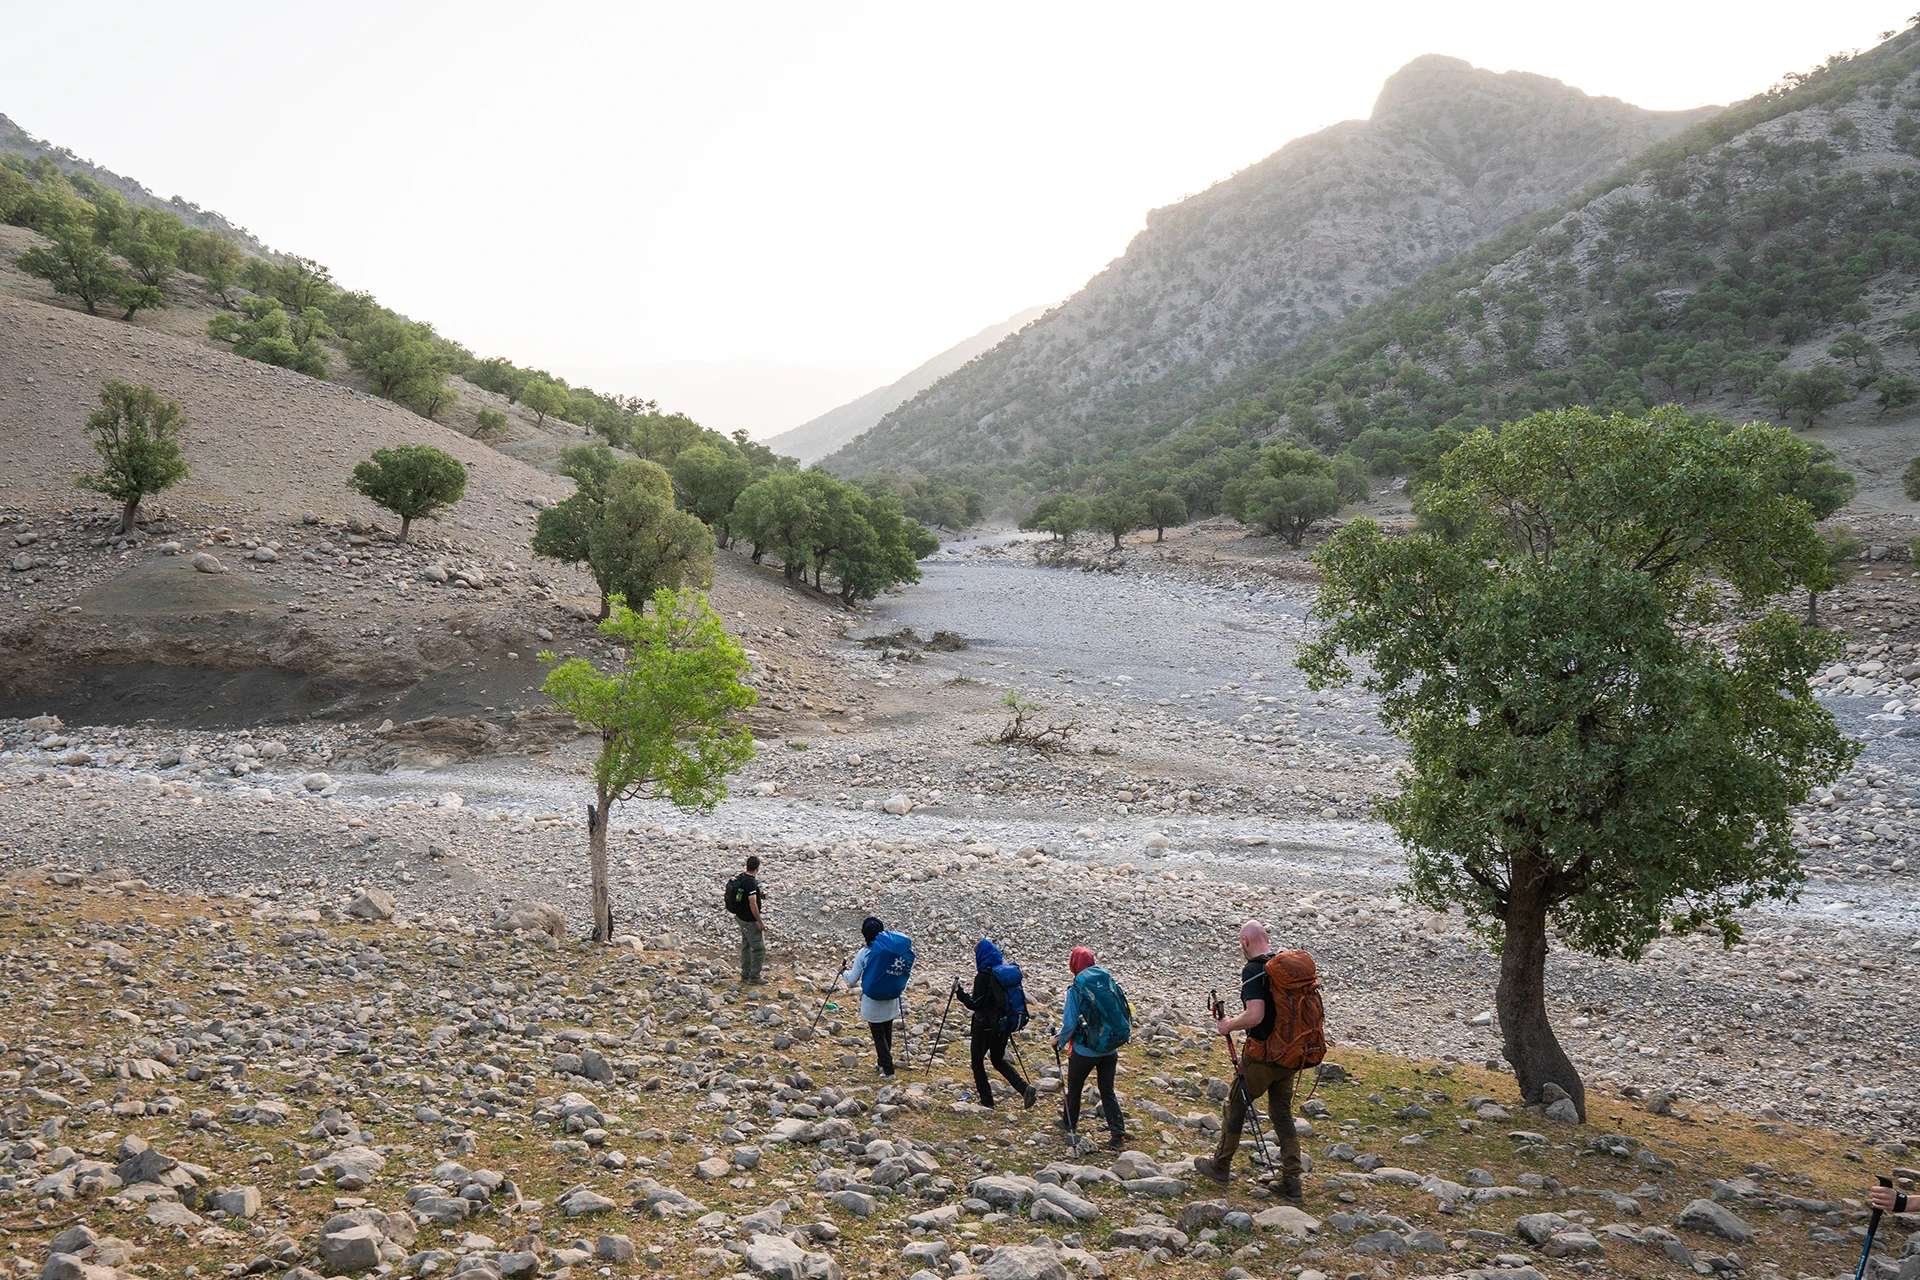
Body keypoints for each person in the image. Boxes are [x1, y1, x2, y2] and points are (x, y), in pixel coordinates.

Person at [1191, 919, 1304, 1202]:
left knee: (1236, 1105)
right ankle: (1292, 1181)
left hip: (1264, 1055)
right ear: (1266, 938)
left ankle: (1220, 1166)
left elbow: (1255, 1015)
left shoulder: (1254, 970)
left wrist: (1228, 1025)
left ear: (1245, 941)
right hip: (1291, 1053)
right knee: (1282, 1113)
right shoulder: (1283, 965)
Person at [1054, 945, 1129, 1149]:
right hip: (1110, 1047)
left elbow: (1069, 1023)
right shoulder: (1106, 980)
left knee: (1075, 1088)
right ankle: (1118, 1135)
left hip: (1086, 1051)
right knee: (1107, 1090)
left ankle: (1070, 1122)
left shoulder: (1077, 988)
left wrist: (1059, 1041)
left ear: (1074, 964)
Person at [954, 938, 1037, 1111]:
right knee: (998, 1060)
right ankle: (1024, 1088)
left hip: (983, 1025)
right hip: (1002, 1025)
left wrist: (959, 993)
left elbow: (975, 1003)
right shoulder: (1003, 974)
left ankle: (987, 1101)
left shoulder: (983, 976)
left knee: (977, 1062)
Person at [840, 917, 908, 1077]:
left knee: (878, 1036)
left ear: (864, 934)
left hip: (872, 1001)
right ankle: (881, 1064)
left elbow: (852, 980)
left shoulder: (864, 954)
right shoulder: (892, 952)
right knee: (887, 1031)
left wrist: (842, 971)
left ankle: (888, 1070)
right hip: (891, 998)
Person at [726, 856, 766, 985]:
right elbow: (752, 903)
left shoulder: (742, 877)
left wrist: (759, 894)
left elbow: (745, 894)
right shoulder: (751, 882)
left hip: (740, 917)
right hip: (749, 920)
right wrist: (759, 921)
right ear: (757, 868)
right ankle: (754, 977)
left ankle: (745, 974)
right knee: (759, 948)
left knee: (746, 945)